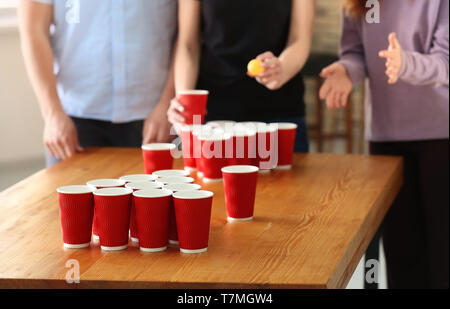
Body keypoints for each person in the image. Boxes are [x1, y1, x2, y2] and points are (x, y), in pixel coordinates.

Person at [320, 0, 449, 288]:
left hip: (441, 136)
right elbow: (355, 53)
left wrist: (406, 63)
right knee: (401, 253)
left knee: (443, 253)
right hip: (385, 136)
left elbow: (446, 62)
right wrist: (346, 70)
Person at [18, 0, 177, 166]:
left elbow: (188, 33)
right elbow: (33, 32)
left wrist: (168, 102)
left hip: (157, 120)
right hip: (73, 123)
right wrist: (52, 114)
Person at [167, 0, 315, 152]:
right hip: (213, 121)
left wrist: (282, 68)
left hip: (280, 116)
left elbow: (300, 38)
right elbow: (188, 45)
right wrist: (184, 101)